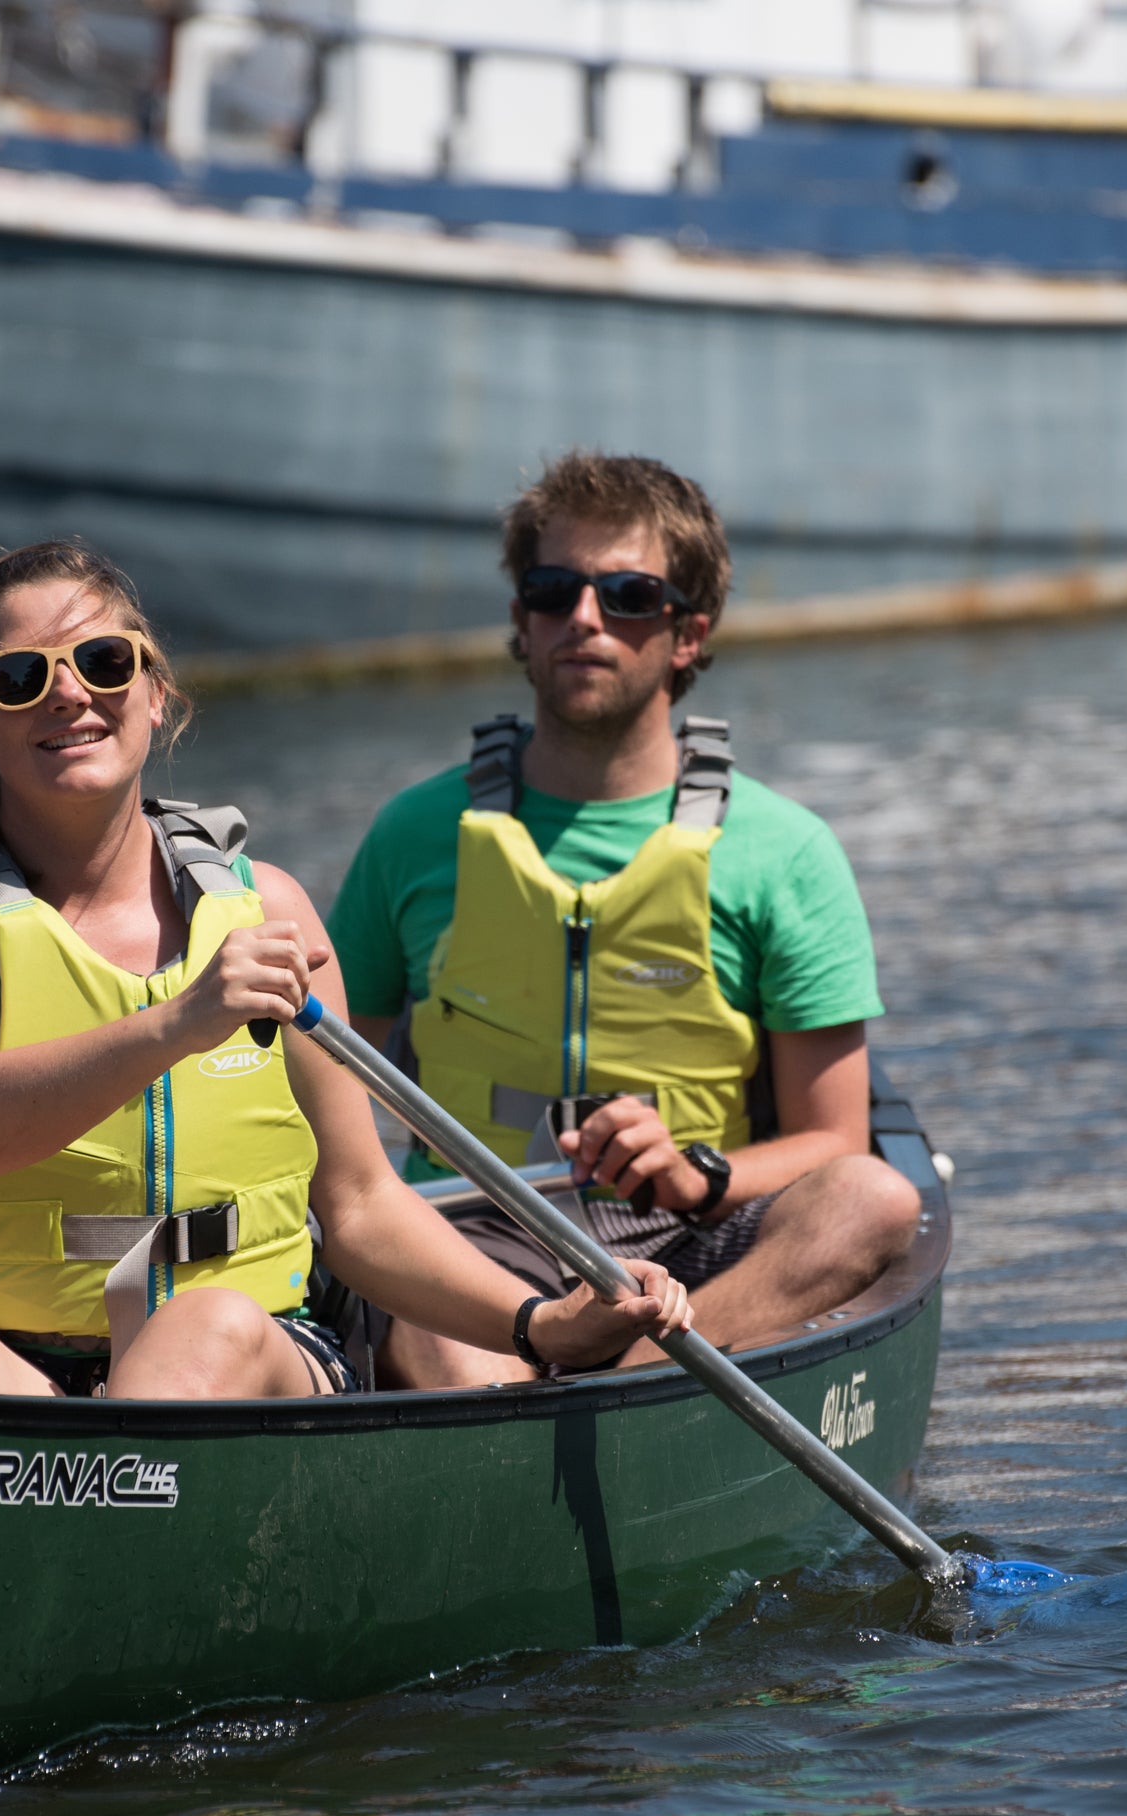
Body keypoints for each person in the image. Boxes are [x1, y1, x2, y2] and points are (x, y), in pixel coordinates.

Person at [0, 539, 692, 1399]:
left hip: (259, 1352)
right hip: (13, 1365)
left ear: (156, 696)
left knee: (205, 1327)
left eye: (103, 661)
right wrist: (179, 1021)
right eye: (20, 677)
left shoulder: (269, 910)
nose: (70, 693)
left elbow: (358, 1204)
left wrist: (539, 1322)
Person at [328, 454, 924, 1388]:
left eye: (630, 595)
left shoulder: (787, 852)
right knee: (437, 1345)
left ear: (688, 633)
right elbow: (322, 1090)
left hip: (695, 1236)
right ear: (522, 623)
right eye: (554, 590)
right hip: (480, 1230)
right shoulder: (412, 835)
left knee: (875, 1198)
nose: (585, 619)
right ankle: (538, 1390)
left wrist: (703, 1176)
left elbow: (834, 1140)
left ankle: (627, 1382)